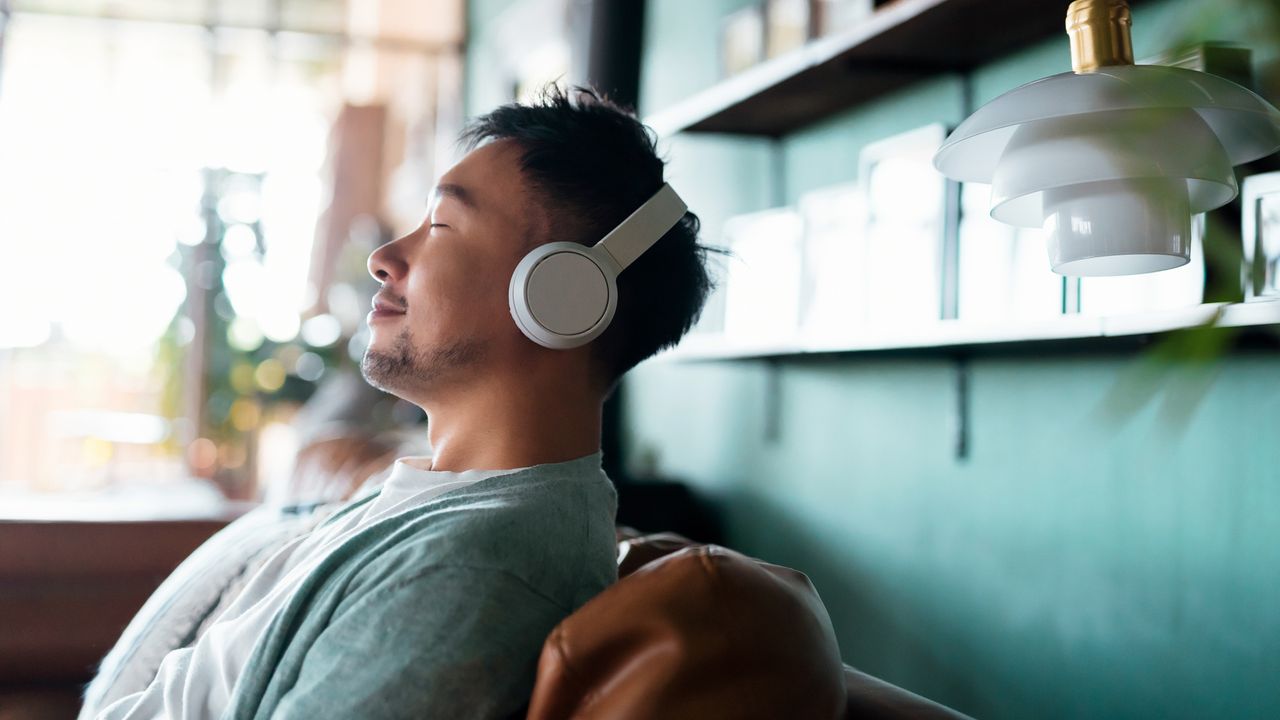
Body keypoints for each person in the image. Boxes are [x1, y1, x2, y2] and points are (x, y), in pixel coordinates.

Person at [92, 85, 716, 719]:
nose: (383, 259)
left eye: (441, 225)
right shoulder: (432, 496)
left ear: (562, 293)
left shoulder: (477, 569)